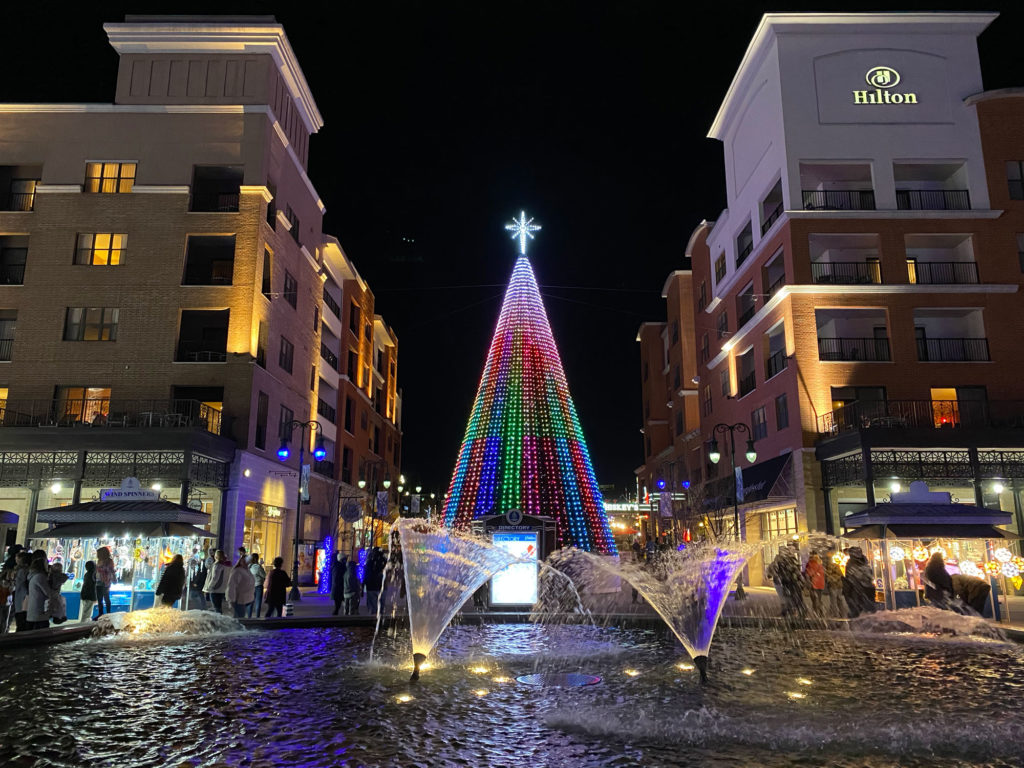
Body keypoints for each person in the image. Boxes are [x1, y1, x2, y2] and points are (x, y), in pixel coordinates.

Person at [842, 546, 876, 618]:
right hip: (864, 588)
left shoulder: (853, 563)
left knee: (858, 608)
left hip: (859, 589)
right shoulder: (864, 562)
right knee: (867, 610)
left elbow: (850, 577)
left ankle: (858, 621)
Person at [25, 554, 51, 630]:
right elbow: (48, 592)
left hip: (34, 609)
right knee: (41, 632)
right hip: (39, 610)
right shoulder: (40, 577)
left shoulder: (33, 576)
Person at [823, 549, 846, 617]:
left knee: (834, 600)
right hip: (839, 585)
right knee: (839, 599)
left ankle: (835, 613)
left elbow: (828, 574)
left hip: (833, 585)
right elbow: (841, 575)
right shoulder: (838, 566)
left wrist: (830, 578)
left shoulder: (830, 566)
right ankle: (841, 612)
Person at [11, 551, 30, 632]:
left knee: (20, 621)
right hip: (24, 598)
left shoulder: (22, 571)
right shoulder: (27, 570)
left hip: (21, 599)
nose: (15, 559)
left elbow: (18, 584)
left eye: (17, 557)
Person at [364, 548, 386, 615]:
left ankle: (373, 620)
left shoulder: (370, 562)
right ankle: (380, 619)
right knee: (381, 607)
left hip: (371, 587)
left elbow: (367, 575)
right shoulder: (384, 561)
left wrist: (364, 584)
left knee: (373, 607)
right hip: (382, 587)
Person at [95, 546, 116, 617]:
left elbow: (111, 570)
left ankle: (108, 613)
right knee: (99, 598)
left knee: (106, 597)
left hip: (106, 581)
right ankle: (100, 613)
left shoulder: (109, 561)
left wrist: (114, 579)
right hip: (98, 580)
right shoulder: (99, 561)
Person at [47, 560, 69, 624]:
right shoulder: (61, 577)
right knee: (60, 604)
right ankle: (58, 617)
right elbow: (65, 577)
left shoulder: (49, 576)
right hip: (55, 594)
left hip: (48, 595)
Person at [248, 554, 267, 618]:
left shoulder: (249, 567)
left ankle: (249, 617)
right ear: (257, 559)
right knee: (258, 603)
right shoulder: (258, 567)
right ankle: (257, 617)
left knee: (250, 603)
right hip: (258, 585)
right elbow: (264, 575)